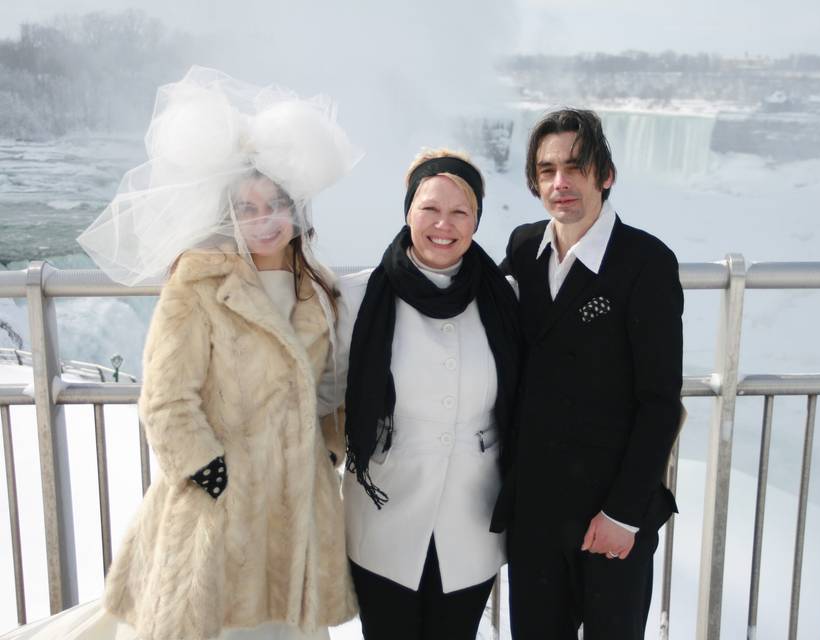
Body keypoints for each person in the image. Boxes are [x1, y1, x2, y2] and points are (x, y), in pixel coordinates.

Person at [1, 66, 362, 640]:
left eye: (274, 203)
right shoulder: (199, 283)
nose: (263, 219)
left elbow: (328, 387)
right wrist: (205, 470)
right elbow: (166, 396)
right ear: (228, 215)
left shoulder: (317, 289)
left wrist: (328, 450)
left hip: (296, 512)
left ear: (297, 209)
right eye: (246, 207)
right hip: (221, 510)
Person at [492, 108, 684, 640]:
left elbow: (660, 401)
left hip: (609, 512)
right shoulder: (523, 248)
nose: (561, 182)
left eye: (576, 166)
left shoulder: (645, 262)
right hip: (535, 511)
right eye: (547, 169)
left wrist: (623, 513)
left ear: (606, 174)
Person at [335, 149, 520, 640]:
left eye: (460, 211)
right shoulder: (356, 300)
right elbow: (320, 398)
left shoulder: (506, 299)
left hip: (472, 516)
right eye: (429, 209)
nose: (444, 224)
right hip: (383, 511)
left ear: (477, 220)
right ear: (408, 212)